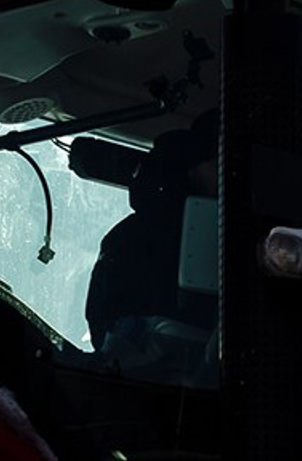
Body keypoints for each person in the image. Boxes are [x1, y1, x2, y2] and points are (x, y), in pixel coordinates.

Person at [86, 110, 221, 380]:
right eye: (217, 163)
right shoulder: (135, 237)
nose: (228, 173)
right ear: (193, 170)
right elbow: (110, 336)